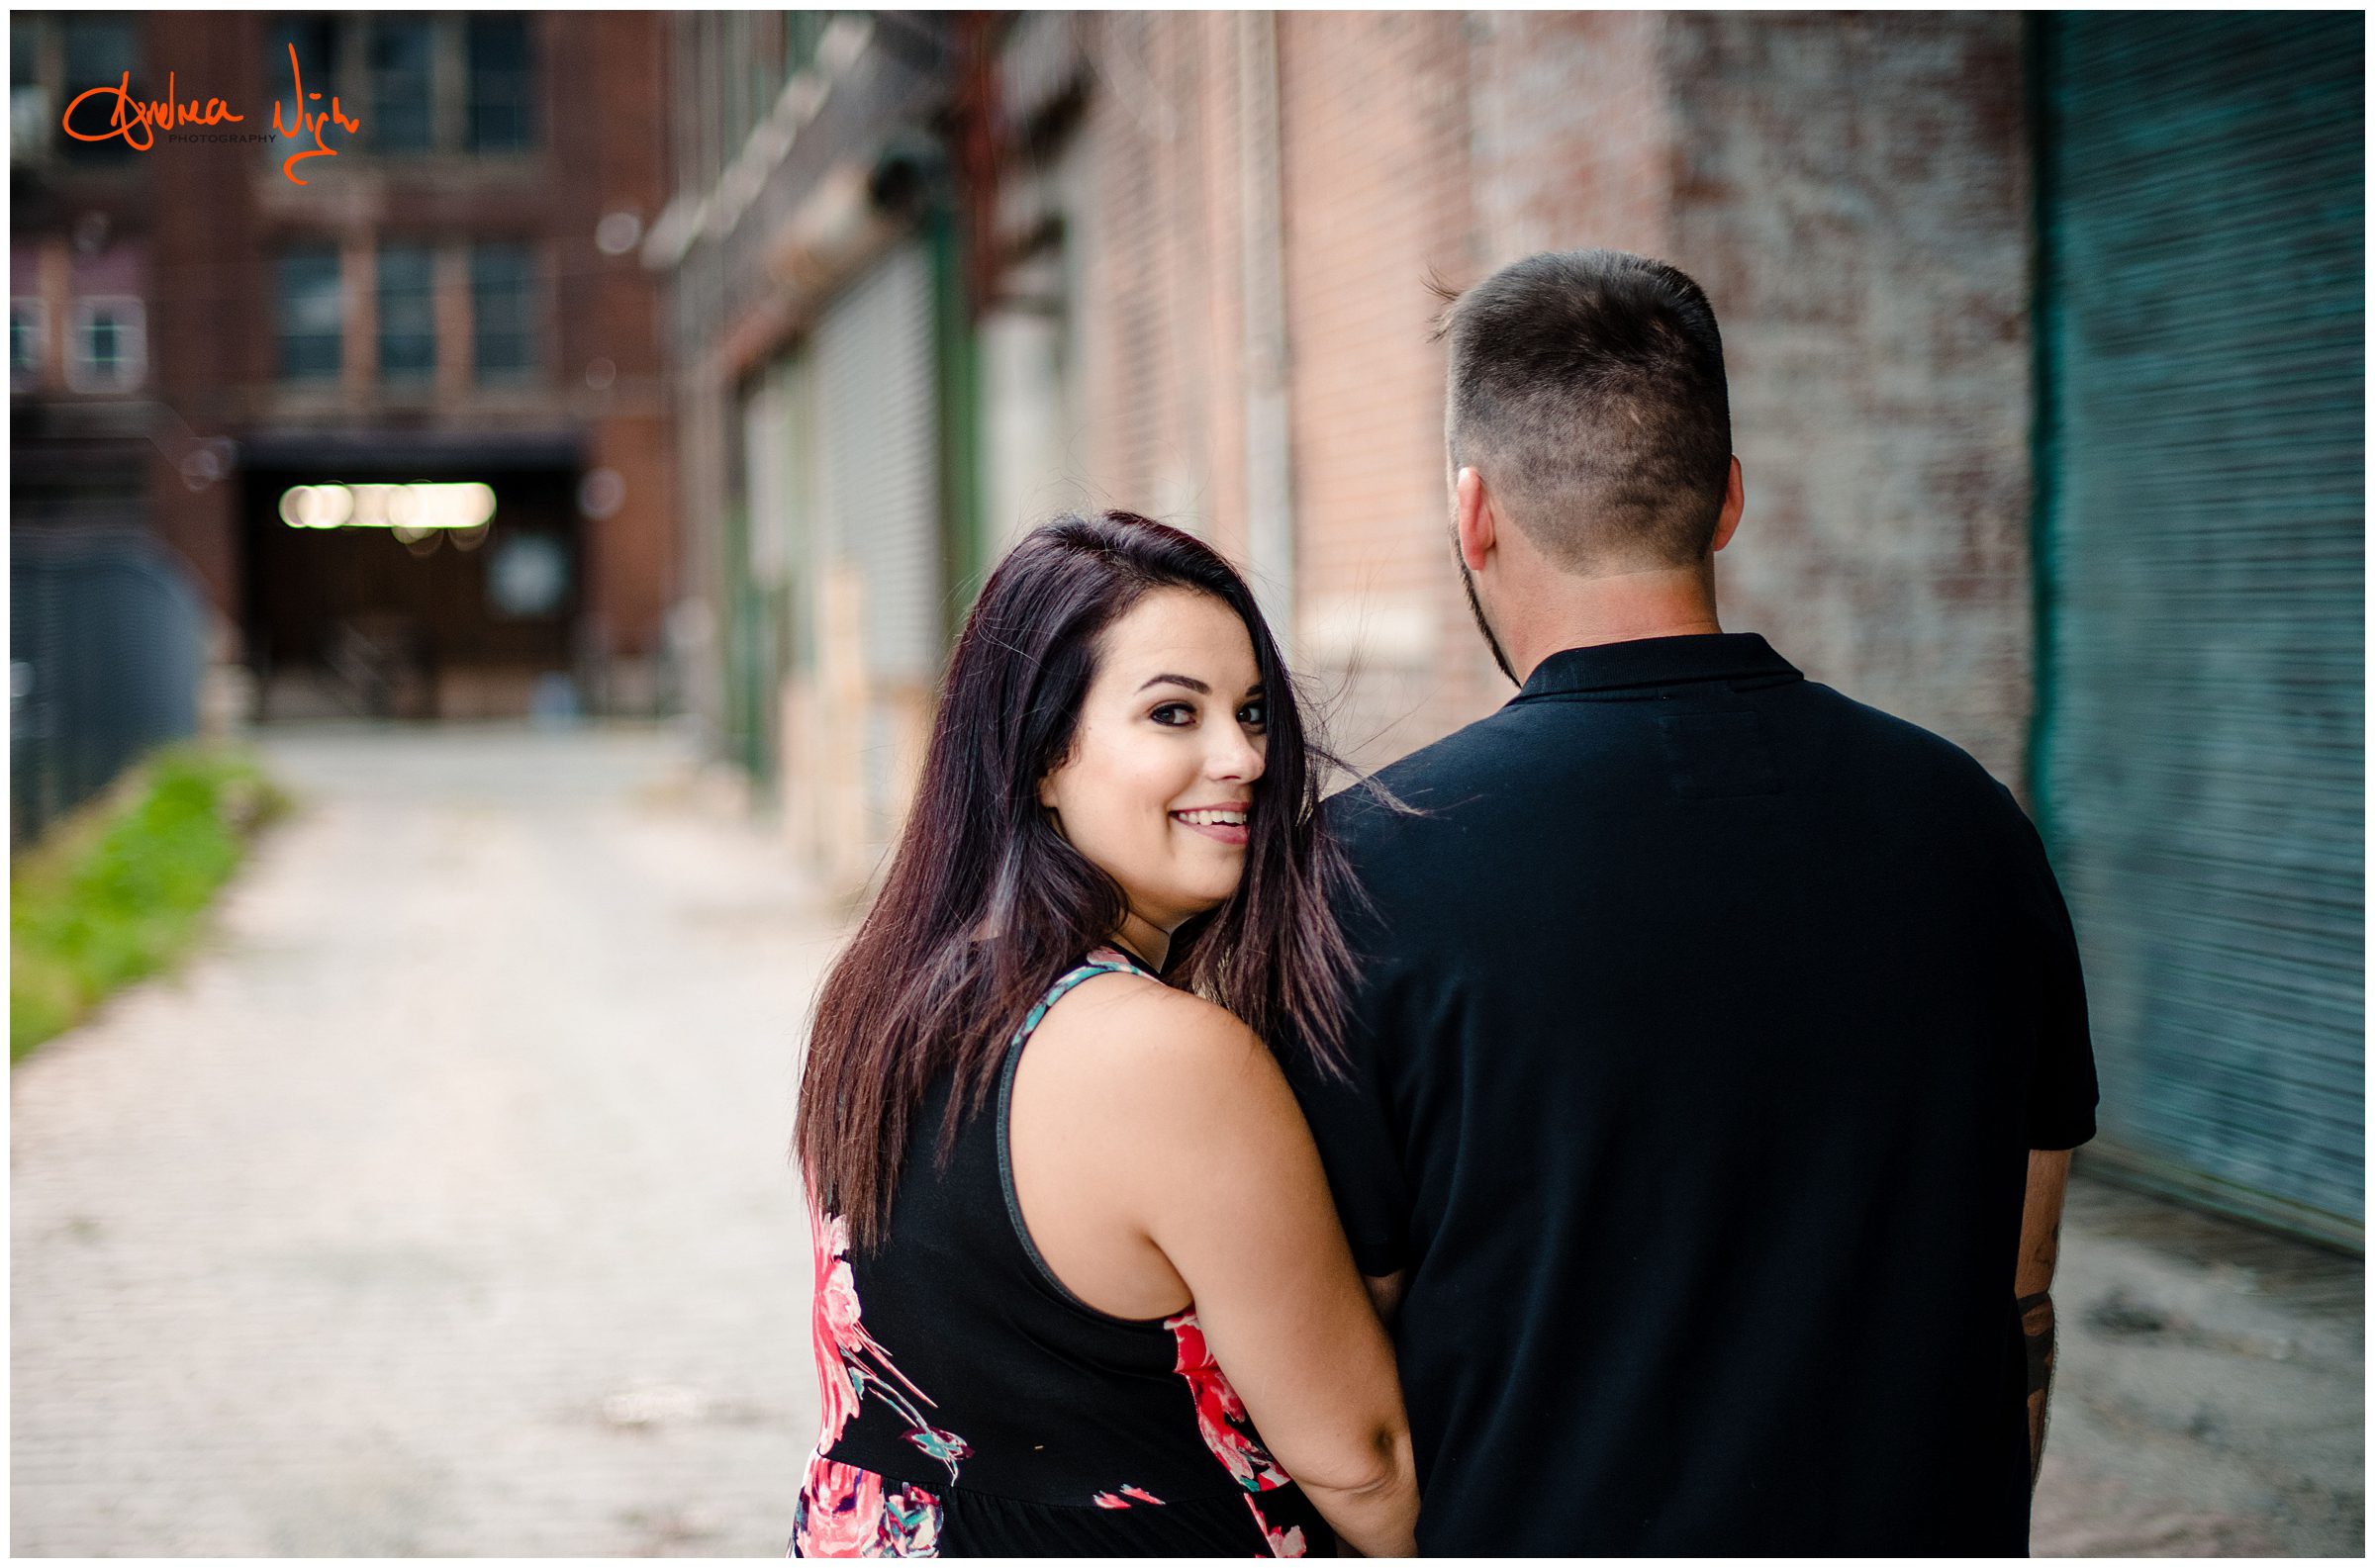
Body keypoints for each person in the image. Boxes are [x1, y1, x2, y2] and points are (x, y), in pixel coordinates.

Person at [1285, 249, 2099, 1555]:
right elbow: (2022, 1287)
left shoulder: (1359, 875)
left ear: (1472, 512)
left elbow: (1343, 1372)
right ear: (1727, 500)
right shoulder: (1972, 826)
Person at [791, 512, 1417, 1557]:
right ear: (1042, 756)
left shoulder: (881, 1000)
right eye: (1175, 712)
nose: (1245, 756)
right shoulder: (1164, 1056)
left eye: (1254, 710)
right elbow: (1364, 1458)